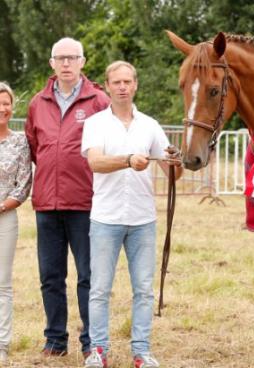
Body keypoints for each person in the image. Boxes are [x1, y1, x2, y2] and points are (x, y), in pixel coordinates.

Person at [81, 61, 183, 368]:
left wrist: (177, 161)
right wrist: (127, 160)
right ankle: (98, 351)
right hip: (106, 218)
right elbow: (95, 163)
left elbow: (172, 171)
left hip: (142, 219)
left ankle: (141, 351)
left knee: (143, 289)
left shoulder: (150, 125)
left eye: (128, 81)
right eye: (117, 82)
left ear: (135, 85)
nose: (123, 87)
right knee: (100, 289)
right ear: (108, 86)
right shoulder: (96, 123)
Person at [24, 37, 110, 358]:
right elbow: (36, 148)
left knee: (89, 276)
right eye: (60, 58)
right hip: (46, 204)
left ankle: (91, 342)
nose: (66, 64)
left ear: (83, 62)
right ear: (51, 64)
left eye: (72, 58)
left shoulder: (99, 101)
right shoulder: (36, 103)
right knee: (50, 276)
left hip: (87, 203)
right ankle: (55, 341)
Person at [0, 82, 32, 362]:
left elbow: (22, 186)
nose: (2, 108)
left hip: (4, 218)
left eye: (6, 103)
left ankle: (1, 343)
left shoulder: (20, 142)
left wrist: (1, 206)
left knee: (2, 283)